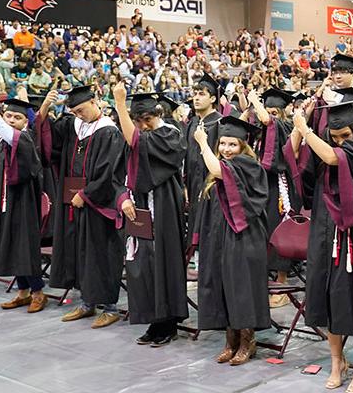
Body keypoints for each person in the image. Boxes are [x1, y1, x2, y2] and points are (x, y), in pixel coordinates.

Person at [285, 97, 353, 393]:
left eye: (347, 135)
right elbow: (292, 160)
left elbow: (333, 158)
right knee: (328, 296)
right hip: (323, 232)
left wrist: (306, 131)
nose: (342, 141)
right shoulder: (323, 149)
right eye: (336, 135)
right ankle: (336, 361)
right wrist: (298, 125)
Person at [44, 86, 134, 328]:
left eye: (81, 110)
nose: (79, 115)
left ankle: (110, 307)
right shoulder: (76, 127)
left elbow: (111, 171)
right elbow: (48, 143)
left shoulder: (109, 132)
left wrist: (85, 194)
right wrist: (44, 109)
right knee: (81, 252)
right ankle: (86, 302)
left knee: (101, 254)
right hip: (76, 203)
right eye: (74, 112)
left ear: (95, 102)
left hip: (100, 205)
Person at [113, 84, 188, 347]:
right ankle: (152, 321)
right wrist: (123, 198)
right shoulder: (134, 138)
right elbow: (119, 174)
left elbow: (139, 142)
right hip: (139, 210)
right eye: (138, 121)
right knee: (142, 265)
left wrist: (120, 104)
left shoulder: (171, 136)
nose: (143, 125)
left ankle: (168, 323)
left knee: (163, 264)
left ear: (158, 114)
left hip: (164, 210)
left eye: (147, 120)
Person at [195, 115, 269, 366]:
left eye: (232, 144)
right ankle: (231, 340)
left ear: (242, 146)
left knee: (242, 288)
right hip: (221, 236)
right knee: (224, 286)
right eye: (222, 144)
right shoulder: (221, 166)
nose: (226, 149)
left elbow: (217, 169)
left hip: (244, 237)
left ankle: (248, 341)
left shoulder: (248, 165)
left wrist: (203, 143)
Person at [0, 100, 47, 313]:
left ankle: (38, 292)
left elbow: (13, 139)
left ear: (26, 121)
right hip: (1, 203)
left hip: (22, 203)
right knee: (10, 246)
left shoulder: (25, 139)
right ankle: (23, 291)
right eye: (9, 117)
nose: (13, 121)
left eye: (18, 118)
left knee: (23, 247)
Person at [246, 88, 299, 307]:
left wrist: (252, 100)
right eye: (267, 110)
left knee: (278, 230)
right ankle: (266, 283)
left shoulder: (285, 126)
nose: (269, 115)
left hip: (280, 186)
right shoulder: (260, 133)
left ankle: (282, 285)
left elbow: (267, 120)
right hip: (261, 185)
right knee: (263, 232)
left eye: (274, 112)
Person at [183, 75, 222, 250]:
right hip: (192, 186)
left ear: (213, 98)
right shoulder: (192, 124)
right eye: (195, 94)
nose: (196, 98)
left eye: (201, 94)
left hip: (213, 187)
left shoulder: (220, 123)